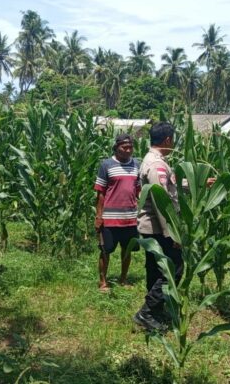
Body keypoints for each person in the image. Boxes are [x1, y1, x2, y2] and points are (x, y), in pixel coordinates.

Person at [133, 121, 182, 332]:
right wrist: (172, 234)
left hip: (150, 227)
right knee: (174, 270)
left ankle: (155, 310)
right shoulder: (157, 165)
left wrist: (198, 183)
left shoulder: (153, 161)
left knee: (155, 270)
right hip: (158, 228)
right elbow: (162, 201)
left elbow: (169, 186)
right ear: (168, 140)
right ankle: (147, 311)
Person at [94, 133, 141, 292]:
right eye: (124, 147)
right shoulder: (106, 165)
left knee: (127, 251)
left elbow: (139, 191)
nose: (128, 150)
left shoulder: (136, 165)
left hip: (130, 218)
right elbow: (100, 193)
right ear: (116, 147)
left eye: (130, 147)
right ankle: (103, 282)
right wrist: (99, 216)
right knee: (105, 250)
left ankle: (123, 279)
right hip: (110, 218)